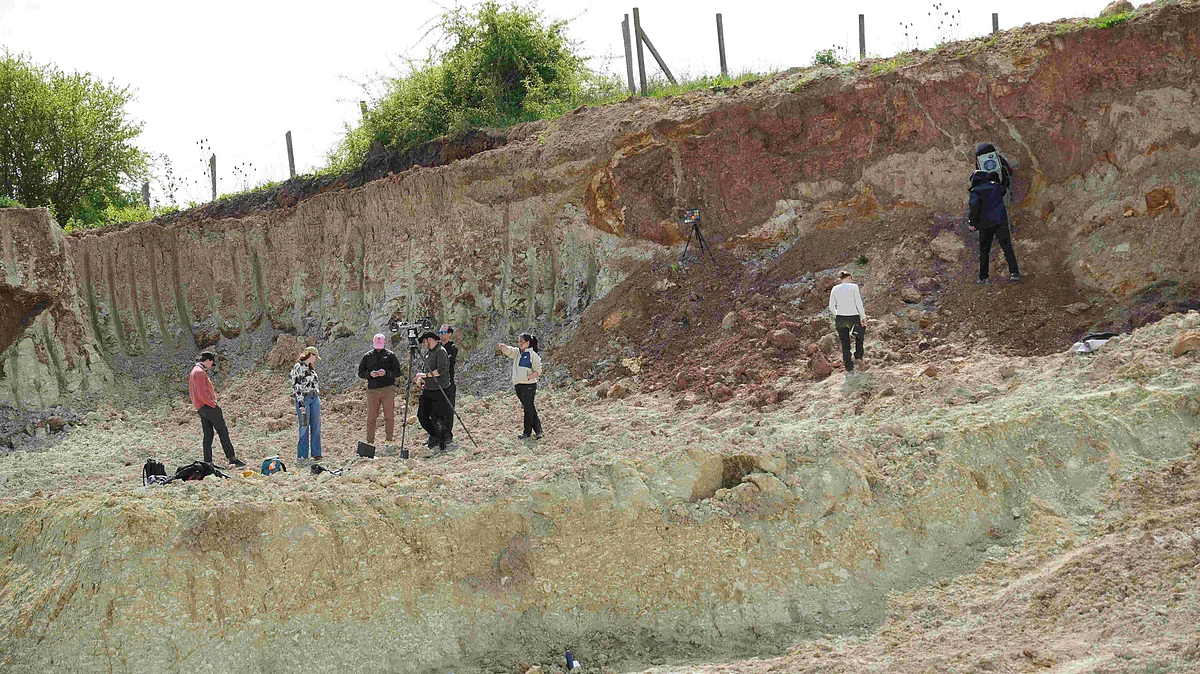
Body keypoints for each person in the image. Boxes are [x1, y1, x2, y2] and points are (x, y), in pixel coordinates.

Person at [187, 351, 245, 467]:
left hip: (200, 407)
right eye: (211, 363)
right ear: (208, 360)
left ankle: (208, 462)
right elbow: (202, 393)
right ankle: (232, 458)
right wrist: (213, 404)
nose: (211, 366)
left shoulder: (194, 371)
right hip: (207, 406)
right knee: (223, 431)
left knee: (208, 434)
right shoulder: (200, 372)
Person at [968, 169, 1022, 284]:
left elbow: (974, 207)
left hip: (985, 224)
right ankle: (1014, 273)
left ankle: (983, 278)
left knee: (984, 251)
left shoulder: (975, 191)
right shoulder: (996, 187)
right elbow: (1003, 189)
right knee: (1007, 247)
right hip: (1001, 222)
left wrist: (972, 223)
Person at [358, 333, 402, 449]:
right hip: (372, 390)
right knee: (371, 417)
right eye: (376, 345)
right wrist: (370, 374)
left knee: (389, 416)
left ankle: (389, 440)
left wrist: (386, 373)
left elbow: (398, 372)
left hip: (388, 389)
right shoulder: (367, 356)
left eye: (380, 345)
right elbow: (360, 373)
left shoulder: (390, 355)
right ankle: (370, 441)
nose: (378, 347)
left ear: (384, 343)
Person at [498, 333, 543, 440]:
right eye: (519, 342)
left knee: (529, 407)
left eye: (522, 342)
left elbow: (538, 369)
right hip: (518, 385)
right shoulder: (517, 353)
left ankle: (535, 431)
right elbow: (510, 351)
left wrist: (530, 376)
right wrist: (504, 348)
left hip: (529, 385)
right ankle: (530, 432)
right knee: (528, 408)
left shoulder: (533, 355)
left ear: (528, 343)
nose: (520, 344)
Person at [415, 331, 453, 452]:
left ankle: (441, 442)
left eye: (425, 341)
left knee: (438, 418)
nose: (424, 343)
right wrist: (421, 378)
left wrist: (425, 375)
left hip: (439, 389)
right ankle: (434, 436)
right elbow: (425, 369)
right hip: (428, 389)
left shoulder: (440, 351)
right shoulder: (428, 353)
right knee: (422, 415)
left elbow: (441, 370)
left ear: (430, 339)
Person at [828, 271, 867, 374]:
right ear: (849, 277)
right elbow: (858, 302)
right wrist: (863, 317)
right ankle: (858, 356)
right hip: (853, 317)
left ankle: (849, 367)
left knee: (845, 343)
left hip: (840, 319)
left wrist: (838, 316)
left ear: (840, 279)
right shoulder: (853, 287)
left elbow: (831, 306)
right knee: (859, 336)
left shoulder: (835, 289)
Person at [289, 346, 322, 462]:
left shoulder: (311, 368)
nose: (315, 360)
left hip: (314, 398)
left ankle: (316, 453)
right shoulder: (298, 367)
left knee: (316, 425)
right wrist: (301, 403)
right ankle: (302, 456)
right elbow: (297, 386)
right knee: (304, 426)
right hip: (304, 399)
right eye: (315, 357)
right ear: (311, 355)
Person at [437, 324, 459, 444]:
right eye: (440, 332)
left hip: (448, 382)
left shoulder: (453, 347)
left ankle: (447, 435)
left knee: (449, 410)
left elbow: (447, 363)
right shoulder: (436, 346)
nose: (441, 334)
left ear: (450, 334)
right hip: (435, 383)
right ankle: (436, 435)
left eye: (443, 332)